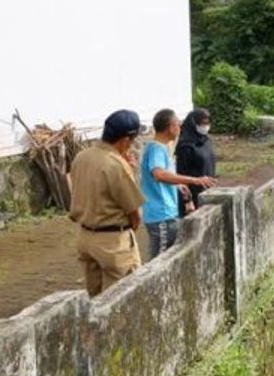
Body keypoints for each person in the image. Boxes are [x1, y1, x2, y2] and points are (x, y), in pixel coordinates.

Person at [69, 109, 145, 296]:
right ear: (126, 140)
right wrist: (128, 233)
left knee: (94, 297)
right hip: (112, 241)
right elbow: (135, 213)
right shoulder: (116, 164)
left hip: (85, 236)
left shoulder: (82, 156)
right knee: (122, 299)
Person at [140, 109, 217, 259]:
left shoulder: (162, 148)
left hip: (167, 213)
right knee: (159, 262)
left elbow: (162, 175)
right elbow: (159, 174)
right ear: (170, 127)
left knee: (169, 258)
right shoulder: (156, 149)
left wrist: (178, 185)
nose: (180, 128)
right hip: (160, 215)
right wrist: (194, 180)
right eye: (178, 124)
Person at [174, 108, 217, 216]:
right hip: (194, 195)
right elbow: (181, 175)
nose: (205, 126)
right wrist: (188, 201)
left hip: (209, 191)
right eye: (202, 123)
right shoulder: (186, 146)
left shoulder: (206, 140)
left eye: (208, 123)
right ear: (193, 123)